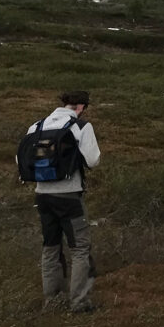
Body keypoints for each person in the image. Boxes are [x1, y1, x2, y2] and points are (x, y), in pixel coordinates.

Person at [25, 91, 101, 313]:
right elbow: (93, 160)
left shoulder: (36, 126)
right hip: (69, 195)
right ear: (81, 107)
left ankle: (52, 300)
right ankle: (79, 303)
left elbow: (22, 158)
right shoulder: (80, 127)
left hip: (42, 195)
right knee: (79, 248)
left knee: (50, 246)